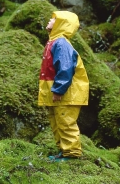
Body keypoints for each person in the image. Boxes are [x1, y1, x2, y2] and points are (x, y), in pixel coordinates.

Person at [38, 10, 89, 161]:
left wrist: (59, 90)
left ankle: (72, 154)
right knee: (57, 122)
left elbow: (65, 68)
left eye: (54, 19)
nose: (49, 20)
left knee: (65, 122)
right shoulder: (54, 42)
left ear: (61, 23)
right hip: (58, 92)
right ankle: (63, 150)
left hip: (66, 93)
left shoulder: (61, 43)